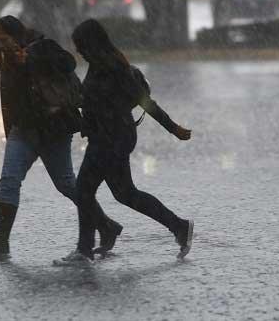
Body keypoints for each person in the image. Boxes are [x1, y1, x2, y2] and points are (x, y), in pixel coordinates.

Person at [0, 16, 122, 260]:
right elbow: (8, 102)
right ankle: (0, 242)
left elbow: (69, 63)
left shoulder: (42, 46)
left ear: (17, 34)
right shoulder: (7, 62)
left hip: (53, 130)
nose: (1, 46)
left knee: (66, 184)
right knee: (9, 180)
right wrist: (9, 130)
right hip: (23, 132)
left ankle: (105, 225)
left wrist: (31, 59)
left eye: (4, 39)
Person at [55, 19, 193, 265]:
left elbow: (144, 101)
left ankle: (84, 250)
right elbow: (94, 100)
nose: (79, 51)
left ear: (92, 43)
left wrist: (173, 128)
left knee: (84, 190)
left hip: (112, 138)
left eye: (80, 46)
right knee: (125, 193)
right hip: (108, 136)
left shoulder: (114, 66)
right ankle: (179, 226)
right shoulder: (97, 65)